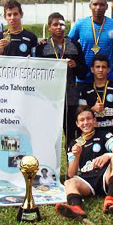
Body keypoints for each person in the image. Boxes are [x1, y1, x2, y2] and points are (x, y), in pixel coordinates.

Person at [55, 106, 113, 219]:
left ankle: (110, 199)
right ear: (77, 124)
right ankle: (76, 208)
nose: (86, 122)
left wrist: (107, 155)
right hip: (87, 180)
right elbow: (71, 174)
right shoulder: (74, 143)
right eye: (82, 120)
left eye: (89, 118)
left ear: (94, 121)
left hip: (105, 176)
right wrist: (76, 156)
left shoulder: (105, 135)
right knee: (69, 183)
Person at [36, 12, 88, 142]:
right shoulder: (42, 47)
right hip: (49, 98)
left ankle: (71, 161)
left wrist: (75, 65)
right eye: (55, 24)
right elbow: (37, 73)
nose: (59, 27)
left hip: (70, 97)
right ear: (49, 27)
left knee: (71, 134)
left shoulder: (74, 45)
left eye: (62, 24)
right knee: (50, 135)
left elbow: (83, 72)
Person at [68, 0, 113, 82]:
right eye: (95, 4)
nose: (98, 7)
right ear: (90, 6)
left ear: (106, 7)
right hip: (84, 77)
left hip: (106, 77)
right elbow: (67, 43)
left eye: (101, 4)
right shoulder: (80, 24)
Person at [78, 55, 113, 138]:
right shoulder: (85, 90)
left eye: (103, 67)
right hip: (92, 135)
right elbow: (81, 114)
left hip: (112, 133)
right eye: (97, 67)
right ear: (92, 69)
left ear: (108, 70)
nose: (100, 70)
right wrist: (92, 109)